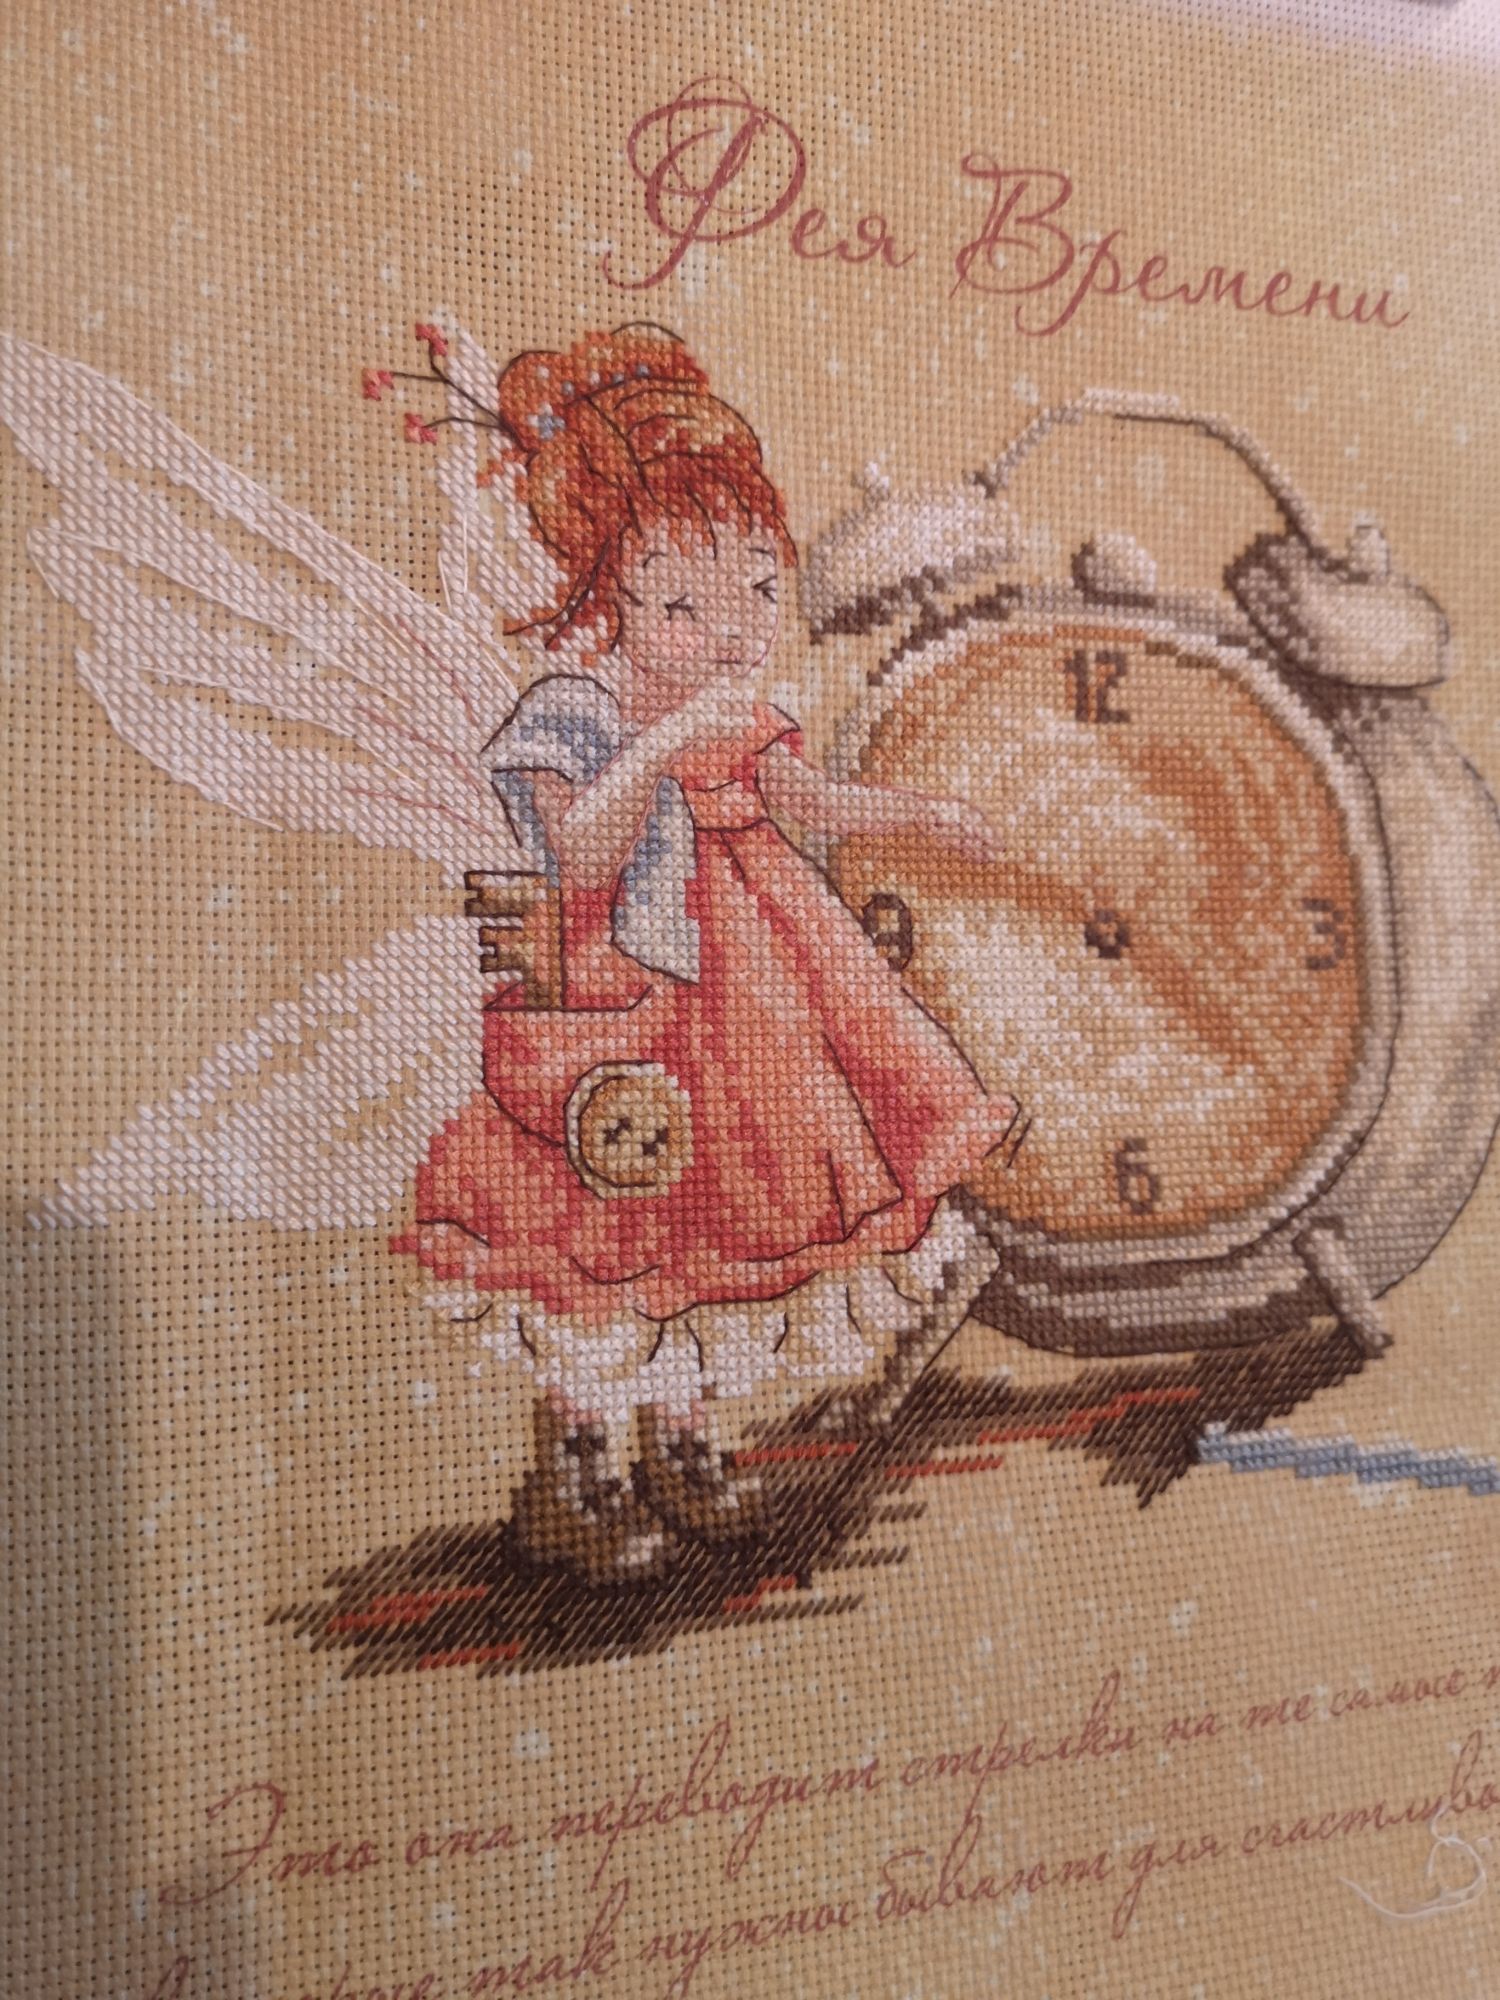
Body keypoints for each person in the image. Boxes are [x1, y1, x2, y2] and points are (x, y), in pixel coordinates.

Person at [391, 322, 1017, 1583]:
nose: (733, 628)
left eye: (759, 589)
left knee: (734, 1210)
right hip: (622, 1007)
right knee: (616, 1220)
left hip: (761, 1008)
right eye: (683, 600)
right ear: (600, 599)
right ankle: (575, 1464)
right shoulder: (571, 713)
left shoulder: (745, 716)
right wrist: (666, 744)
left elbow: (812, 804)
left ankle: (684, 1442)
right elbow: (578, 853)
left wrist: (926, 816)